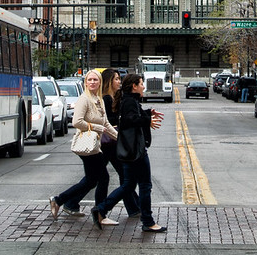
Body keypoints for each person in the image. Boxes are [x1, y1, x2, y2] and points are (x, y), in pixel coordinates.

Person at [91, 74, 167, 233]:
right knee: (145, 185)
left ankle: (101, 209)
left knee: (128, 185)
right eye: (141, 84)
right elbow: (129, 119)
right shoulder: (130, 101)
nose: (144, 87)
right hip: (135, 152)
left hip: (129, 151)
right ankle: (148, 221)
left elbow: (132, 116)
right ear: (134, 86)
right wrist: (147, 120)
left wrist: (148, 113)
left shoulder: (128, 100)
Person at [48, 70, 118, 225]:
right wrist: (96, 128)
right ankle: (100, 213)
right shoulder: (84, 99)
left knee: (91, 180)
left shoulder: (98, 99)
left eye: (95, 80)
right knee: (104, 178)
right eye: (89, 80)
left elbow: (106, 123)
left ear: (100, 82)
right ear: (85, 82)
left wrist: (118, 138)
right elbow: (77, 122)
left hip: (94, 145)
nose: (92, 82)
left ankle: (58, 200)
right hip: (87, 144)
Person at [99, 68, 140, 218]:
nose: (119, 82)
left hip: (112, 142)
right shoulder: (106, 99)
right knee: (96, 178)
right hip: (108, 142)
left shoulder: (114, 97)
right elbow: (108, 121)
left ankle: (134, 207)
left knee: (120, 176)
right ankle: (100, 209)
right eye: (116, 79)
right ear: (109, 81)